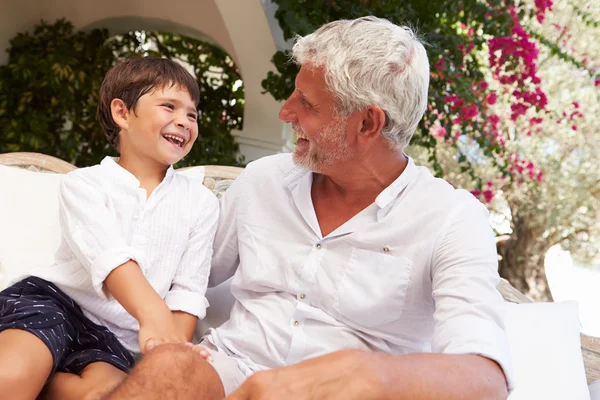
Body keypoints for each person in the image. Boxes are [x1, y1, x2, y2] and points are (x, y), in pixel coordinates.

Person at [107, 16, 513, 400]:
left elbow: (485, 378)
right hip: (228, 370)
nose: (286, 111)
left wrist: (369, 373)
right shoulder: (263, 180)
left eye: (307, 103)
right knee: (169, 370)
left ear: (368, 124)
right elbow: (181, 271)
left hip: (342, 394)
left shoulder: (452, 219)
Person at [0, 57, 219, 400]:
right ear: (122, 113)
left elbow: (187, 291)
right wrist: (154, 316)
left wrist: (171, 351)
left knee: (102, 394)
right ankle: (33, 372)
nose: (184, 121)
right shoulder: (84, 185)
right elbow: (109, 257)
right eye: (169, 106)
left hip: (116, 338)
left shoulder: (201, 203)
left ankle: (45, 377)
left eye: (192, 114)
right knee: (11, 375)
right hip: (56, 304)